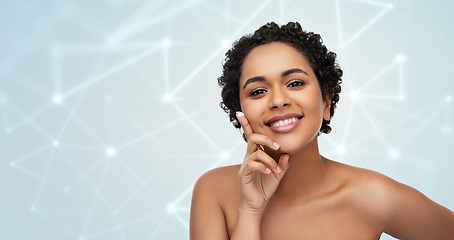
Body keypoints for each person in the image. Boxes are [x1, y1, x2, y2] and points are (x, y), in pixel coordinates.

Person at [189, 22, 454, 240]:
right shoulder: (213, 192)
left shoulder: (374, 196)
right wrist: (250, 210)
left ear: (326, 101)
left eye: (294, 83)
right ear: (241, 111)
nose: (278, 100)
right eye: (258, 91)